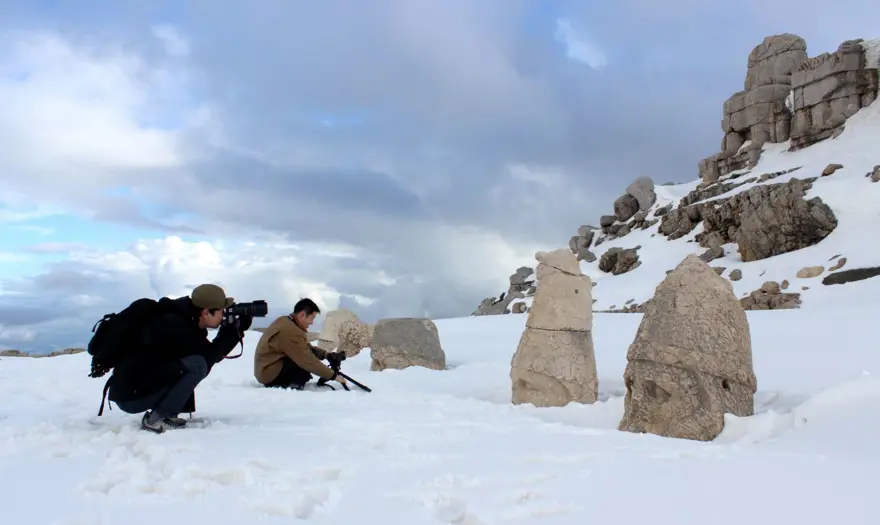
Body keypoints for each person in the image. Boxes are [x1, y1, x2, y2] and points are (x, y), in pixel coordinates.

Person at [106, 284, 253, 433]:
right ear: (206, 312)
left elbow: (210, 355)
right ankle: (156, 420)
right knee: (197, 364)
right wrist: (233, 331)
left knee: (196, 363)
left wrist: (234, 331)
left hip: (135, 388)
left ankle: (164, 414)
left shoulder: (183, 319)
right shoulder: (177, 325)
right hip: (131, 396)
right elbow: (206, 360)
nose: (224, 315)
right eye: (222, 311)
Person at [254, 298, 347, 390]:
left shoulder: (287, 322)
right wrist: (334, 376)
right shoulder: (289, 331)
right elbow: (307, 360)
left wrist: (327, 355)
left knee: (302, 362)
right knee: (302, 368)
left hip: (267, 367)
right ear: (302, 315)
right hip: (268, 373)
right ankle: (293, 390)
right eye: (312, 318)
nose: (312, 322)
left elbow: (305, 347)